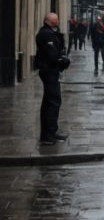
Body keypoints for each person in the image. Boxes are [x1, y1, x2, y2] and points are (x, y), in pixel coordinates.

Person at [35, 13, 69, 145]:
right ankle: (47, 135)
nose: (59, 21)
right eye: (56, 19)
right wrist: (63, 61)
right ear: (51, 21)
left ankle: (51, 132)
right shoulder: (46, 34)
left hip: (50, 71)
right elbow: (53, 54)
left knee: (51, 102)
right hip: (49, 71)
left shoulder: (49, 33)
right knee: (52, 102)